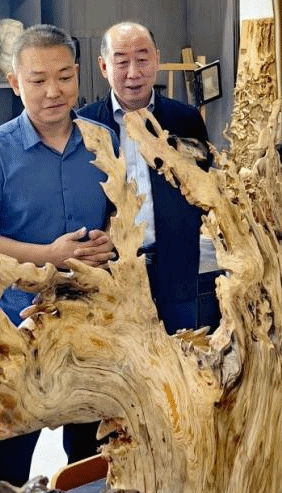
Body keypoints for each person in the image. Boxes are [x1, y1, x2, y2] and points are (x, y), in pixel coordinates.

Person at [0, 23, 115, 484]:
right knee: (6, 458)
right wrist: (49, 255)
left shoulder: (103, 140)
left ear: (78, 75)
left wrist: (111, 240)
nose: (53, 91)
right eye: (38, 80)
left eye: (64, 77)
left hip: (90, 323)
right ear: (15, 83)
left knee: (92, 453)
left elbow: (121, 213)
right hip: (14, 326)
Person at [79, 21, 210, 333]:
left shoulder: (186, 119)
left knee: (182, 353)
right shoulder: (85, 126)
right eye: (121, 61)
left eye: (142, 59)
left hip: (176, 266)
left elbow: (202, 186)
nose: (133, 73)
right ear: (103, 66)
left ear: (157, 60)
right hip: (111, 270)